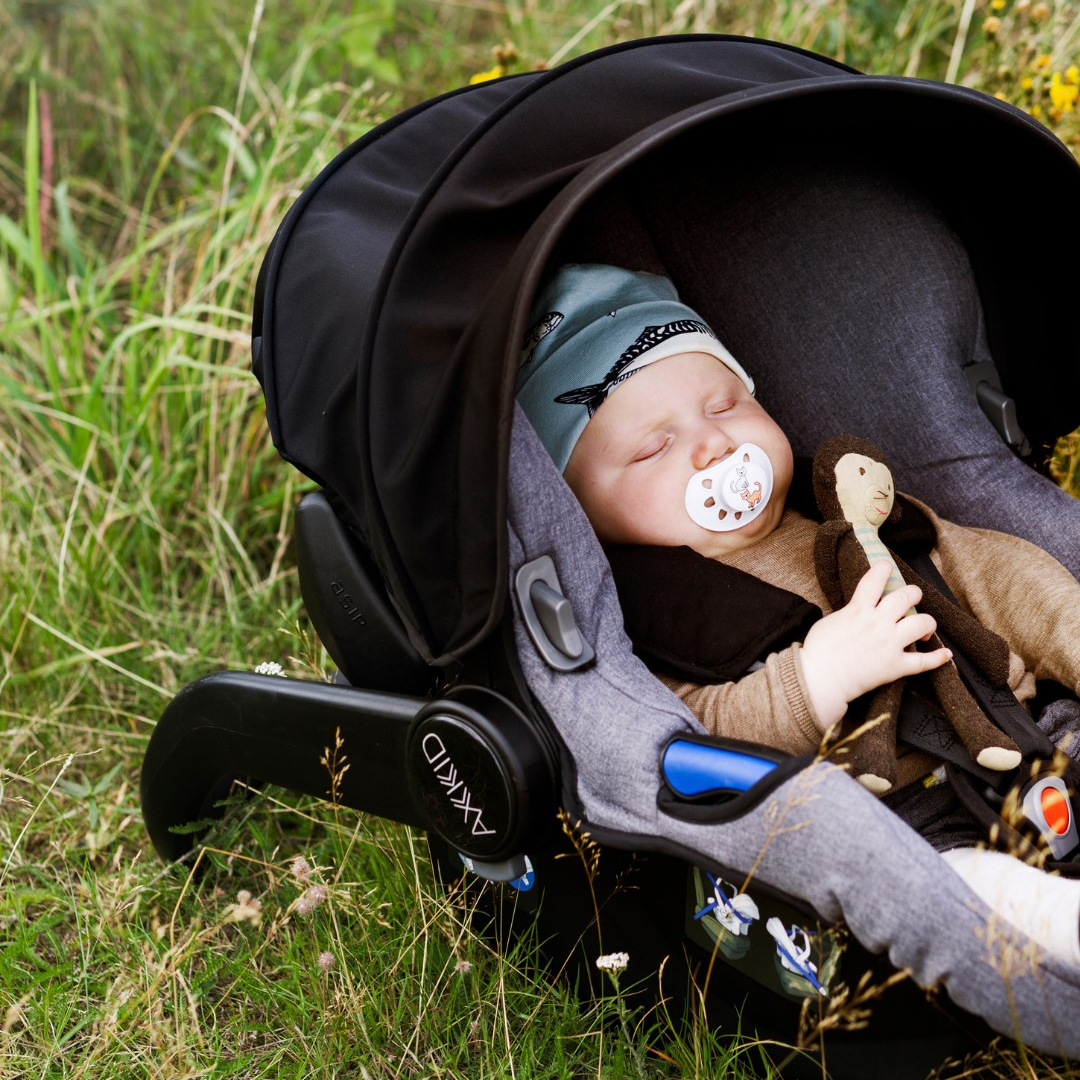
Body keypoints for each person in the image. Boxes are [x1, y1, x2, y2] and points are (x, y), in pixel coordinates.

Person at [516, 262, 1080, 965]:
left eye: (726, 404)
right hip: (894, 818)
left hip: (1025, 725)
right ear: (581, 511)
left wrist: (1068, 635)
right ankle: (1055, 928)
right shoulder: (645, 620)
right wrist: (814, 679)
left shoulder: (846, 510)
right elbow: (696, 738)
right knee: (952, 890)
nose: (714, 443)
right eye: (653, 447)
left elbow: (987, 569)